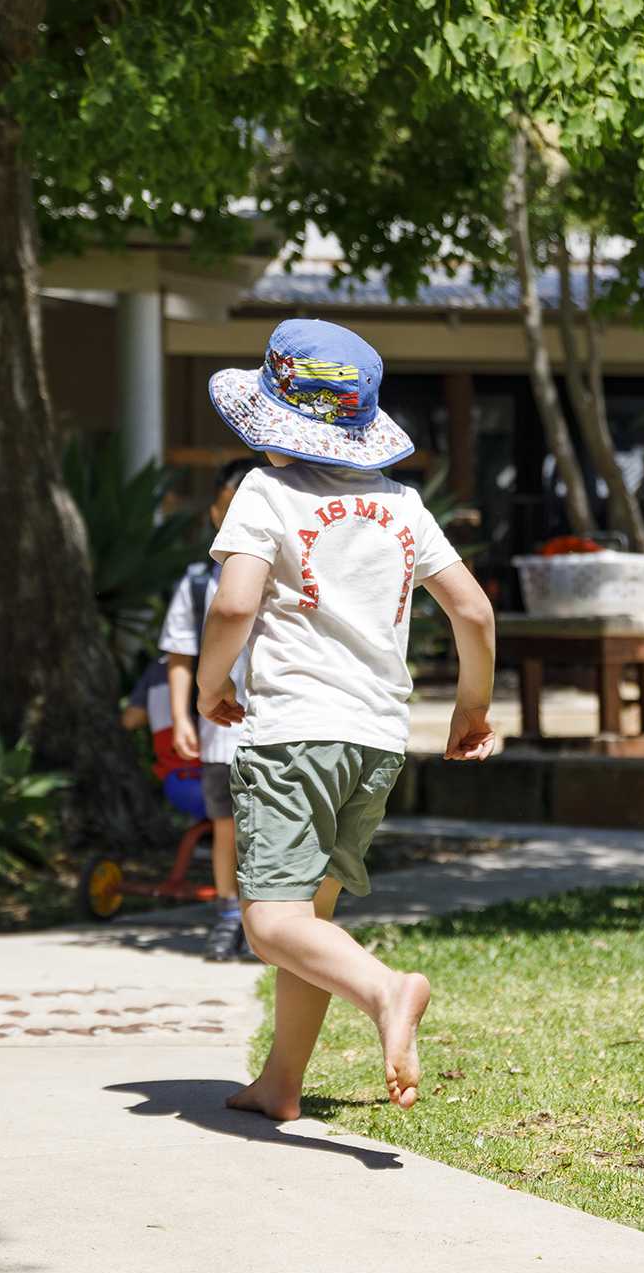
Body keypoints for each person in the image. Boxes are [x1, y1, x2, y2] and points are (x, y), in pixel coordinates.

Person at [194, 318, 497, 1118]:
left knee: (268, 922)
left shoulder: (265, 492)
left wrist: (206, 684)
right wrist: (470, 707)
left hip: (294, 730)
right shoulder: (402, 504)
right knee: (311, 917)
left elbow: (232, 602)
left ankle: (387, 989)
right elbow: (471, 609)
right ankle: (280, 1081)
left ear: (269, 426)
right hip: (375, 740)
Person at [160, 457, 261, 961]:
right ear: (216, 514)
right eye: (229, 506)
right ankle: (227, 916)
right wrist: (181, 717)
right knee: (227, 826)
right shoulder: (200, 581)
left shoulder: (293, 572)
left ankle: (264, 923)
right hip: (221, 729)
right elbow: (180, 654)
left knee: (271, 826)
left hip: (280, 726)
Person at [121, 655, 208, 822]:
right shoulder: (217, 656)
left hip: (177, 777)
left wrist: (160, 712)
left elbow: (130, 719)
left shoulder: (158, 665)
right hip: (200, 773)